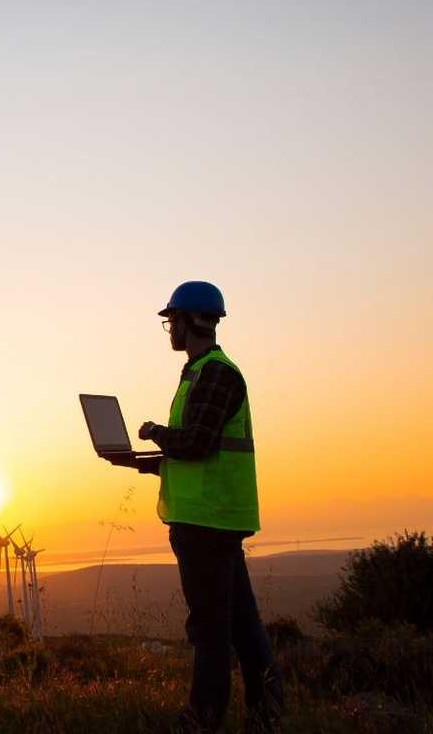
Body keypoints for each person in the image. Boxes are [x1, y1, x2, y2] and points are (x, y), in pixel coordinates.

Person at [103, 281, 283, 733]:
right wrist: (140, 463)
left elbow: (197, 443)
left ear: (188, 321)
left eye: (171, 321)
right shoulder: (199, 373)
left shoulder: (216, 374)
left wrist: (153, 431)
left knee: (209, 629)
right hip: (210, 518)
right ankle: (268, 715)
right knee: (242, 624)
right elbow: (194, 453)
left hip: (209, 522)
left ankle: (201, 720)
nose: (169, 329)